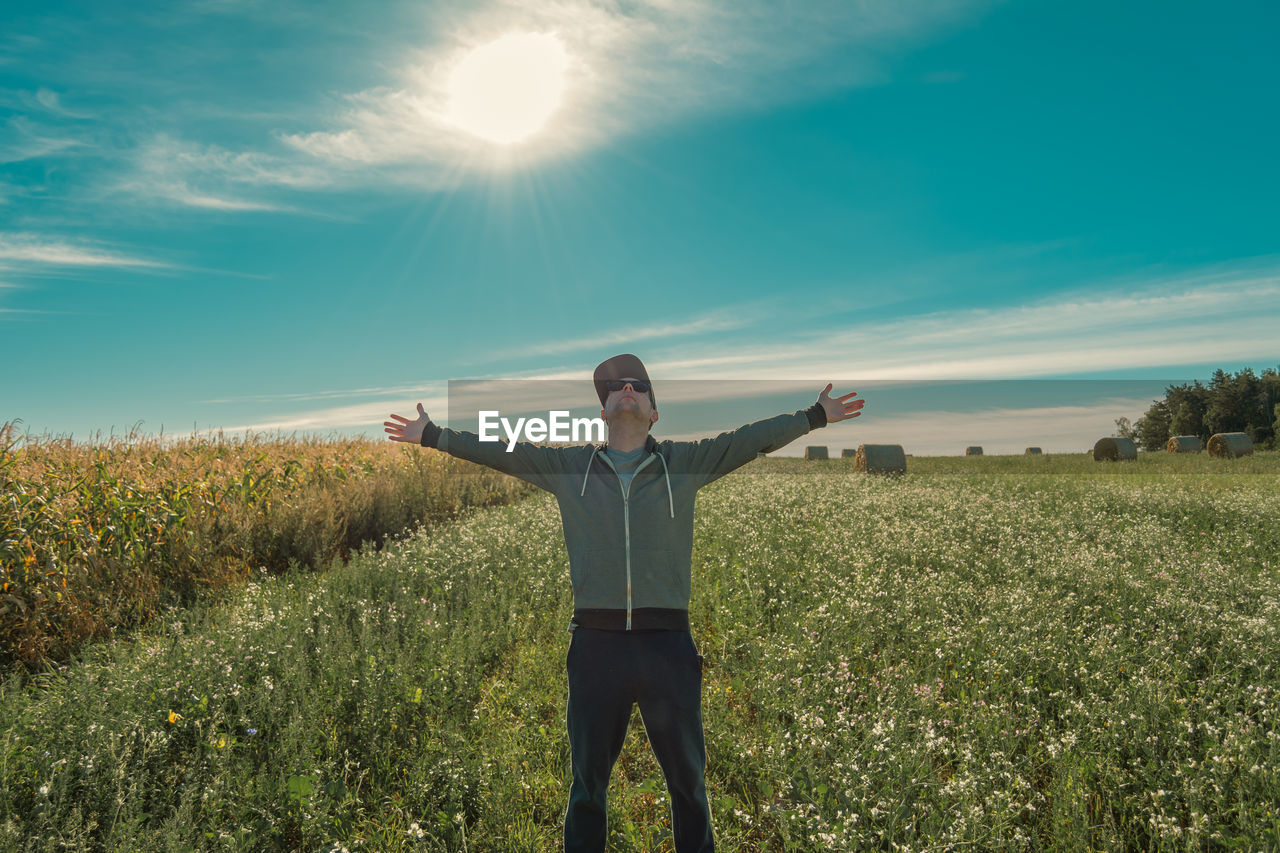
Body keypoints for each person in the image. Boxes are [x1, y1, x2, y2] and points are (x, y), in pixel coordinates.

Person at [384, 354, 863, 853]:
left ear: (654, 412)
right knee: (588, 789)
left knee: (690, 787)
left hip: (670, 646)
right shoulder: (569, 468)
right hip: (595, 647)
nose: (627, 389)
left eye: (638, 386)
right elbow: (502, 450)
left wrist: (814, 415)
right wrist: (434, 434)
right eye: (616, 387)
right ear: (603, 411)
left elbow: (748, 439)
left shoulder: (685, 463)